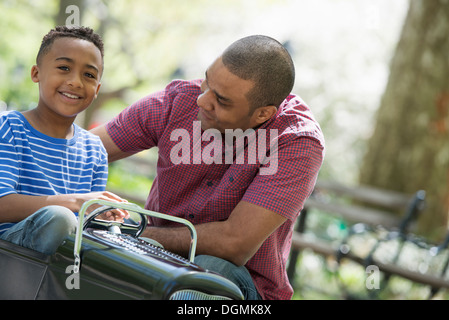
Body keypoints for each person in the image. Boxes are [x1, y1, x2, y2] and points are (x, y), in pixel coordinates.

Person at [91, 35, 325, 300]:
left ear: (263, 114)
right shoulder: (177, 101)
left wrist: (135, 233)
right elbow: (80, 151)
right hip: (151, 254)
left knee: (207, 273)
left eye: (222, 100)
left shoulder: (297, 140)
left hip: (241, 287)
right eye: (207, 81)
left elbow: (234, 244)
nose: (202, 101)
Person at [0, 26, 128, 256]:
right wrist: (77, 202)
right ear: (36, 73)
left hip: (64, 260)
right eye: (64, 68)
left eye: (88, 75)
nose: (75, 82)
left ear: (97, 88)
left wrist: (98, 213)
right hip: (11, 252)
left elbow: (82, 223)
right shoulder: (9, 128)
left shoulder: (94, 150)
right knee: (59, 217)